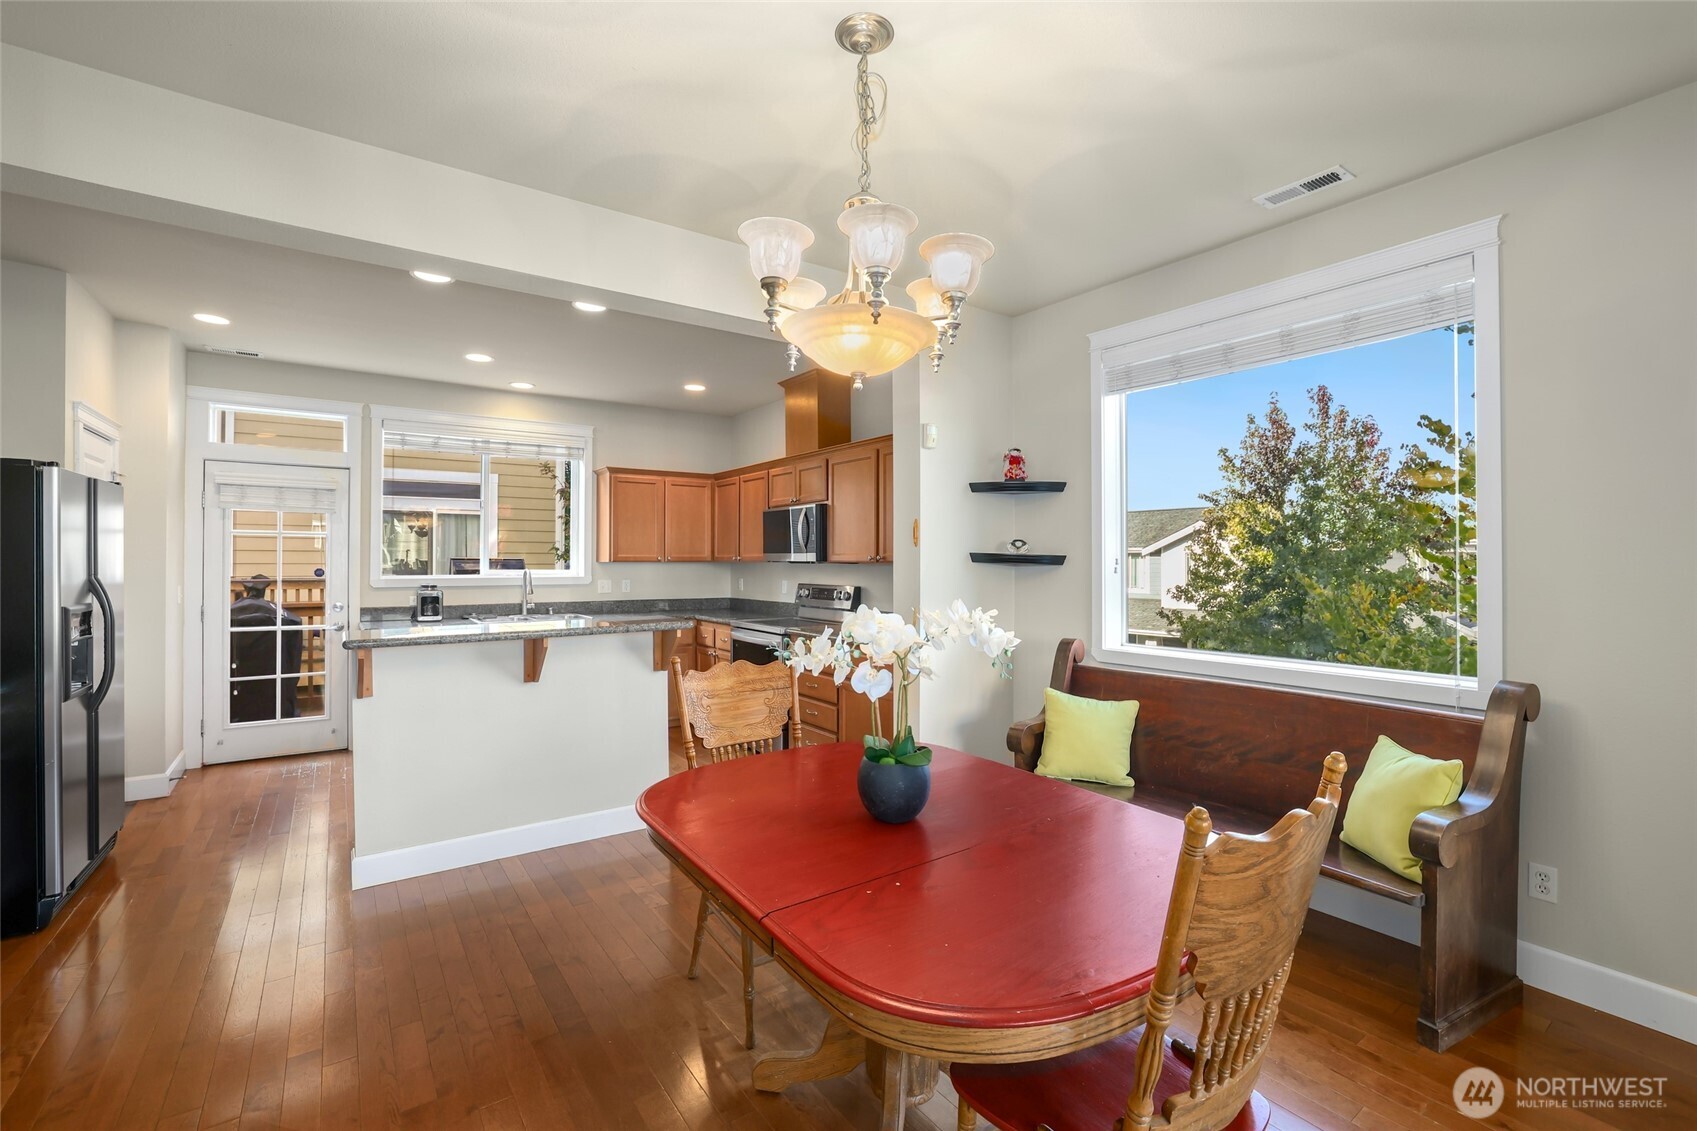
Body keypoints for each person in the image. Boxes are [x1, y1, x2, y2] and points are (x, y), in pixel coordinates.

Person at [229, 575, 304, 722]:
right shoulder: (282, 615)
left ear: (246, 589)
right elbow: (293, 655)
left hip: (238, 680)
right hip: (272, 680)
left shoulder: (230, 612)